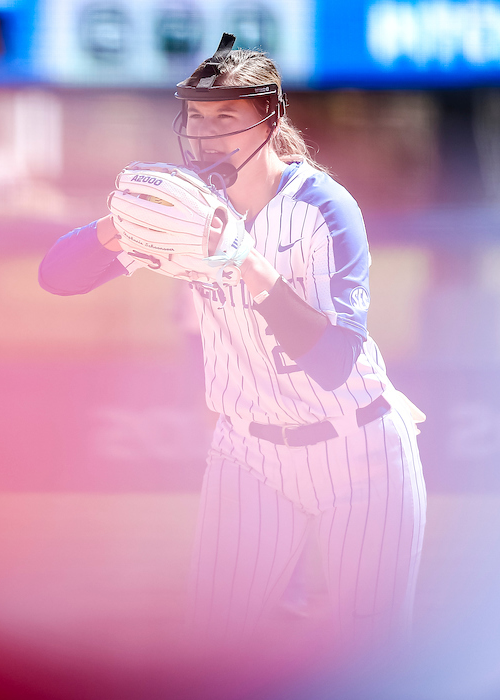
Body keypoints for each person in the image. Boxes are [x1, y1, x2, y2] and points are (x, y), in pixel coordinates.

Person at [38, 35, 426, 648]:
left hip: (360, 448)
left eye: (227, 116)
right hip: (249, 454)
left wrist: (249, 263)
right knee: (213, 649)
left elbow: (334, 362)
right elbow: (57, 277)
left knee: (371, 656)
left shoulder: (323, 208)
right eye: (197, 115)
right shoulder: (187, 208)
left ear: (269, 123)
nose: (206, 132)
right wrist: (121, 225)